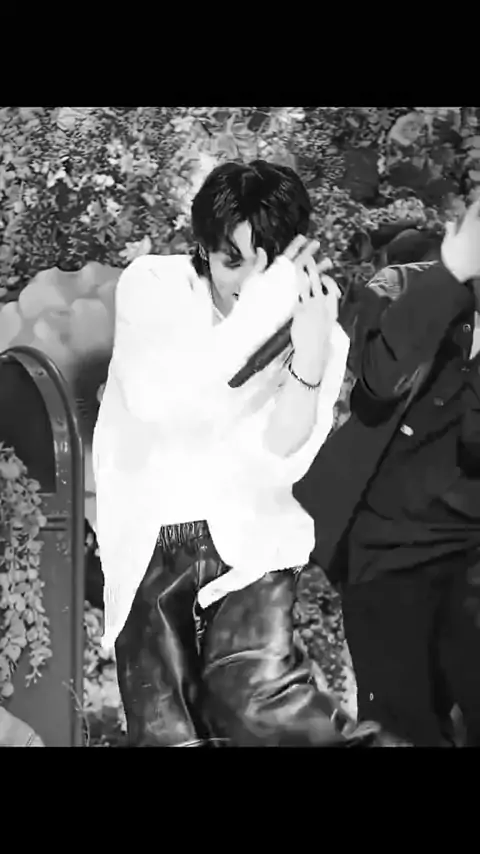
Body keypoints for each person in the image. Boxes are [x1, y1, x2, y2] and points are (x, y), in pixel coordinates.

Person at [92, 159, 387, 747]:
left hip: (255, 539)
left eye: (266, 264)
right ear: (203, 246)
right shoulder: (153, 286)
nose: (247, 282)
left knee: (257, 701)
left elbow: (281, 454)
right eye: (234, 261)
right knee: (168, 733)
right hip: (156, 539)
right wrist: (265, 306)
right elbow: (158, 401)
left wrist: (309, 355)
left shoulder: (314, 325)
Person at [294, 200, 480, 747]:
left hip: (472, 550)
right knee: (401, 729)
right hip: (388, 551)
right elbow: (377, 384)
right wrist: (451, 275)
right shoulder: (402, 286)